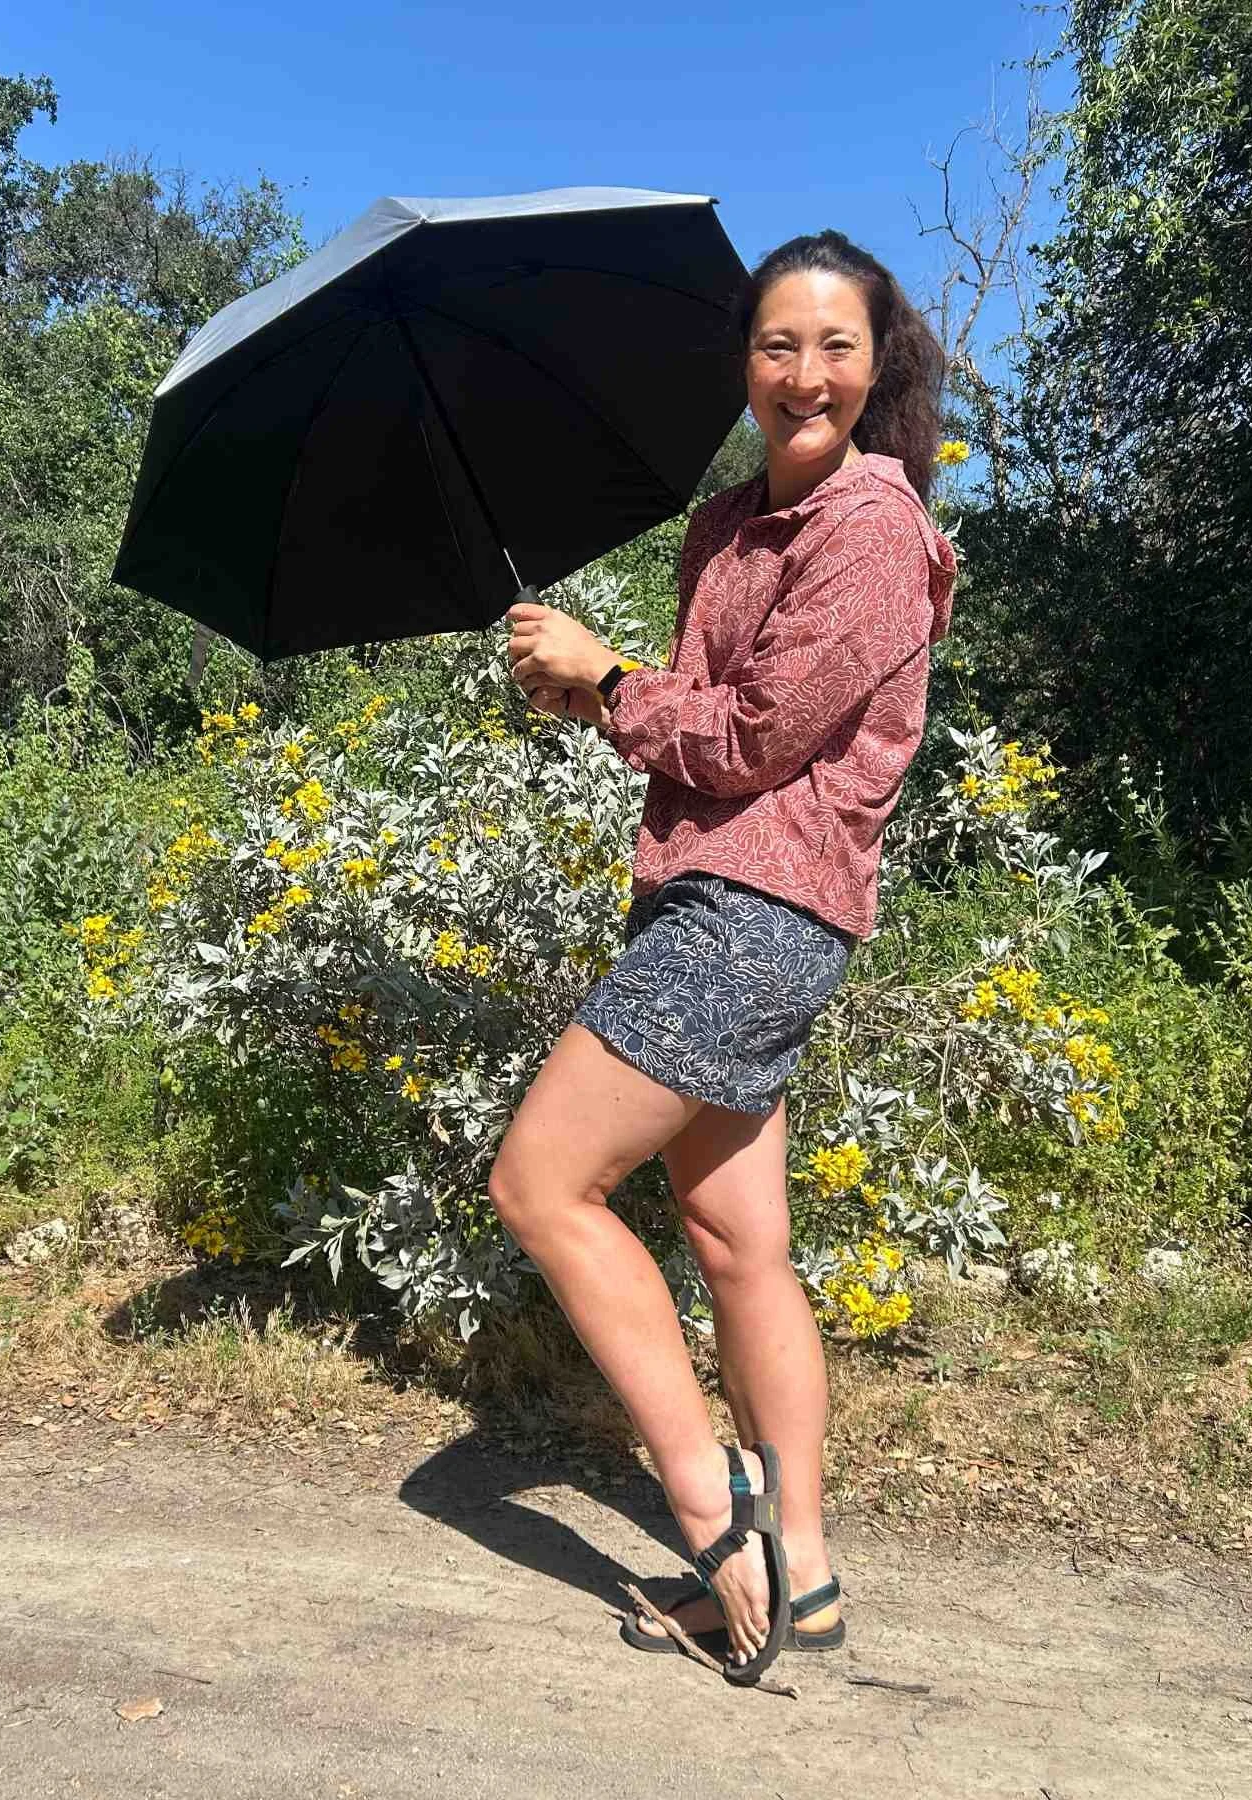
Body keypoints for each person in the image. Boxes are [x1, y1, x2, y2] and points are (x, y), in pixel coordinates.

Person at [495, 229, 957, 1682]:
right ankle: (802, 1571)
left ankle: (716, 1518)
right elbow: (703, 718)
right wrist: (585, 692)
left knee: (540, 1183)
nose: (803, 373)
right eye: (776, 345)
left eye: (834, 345)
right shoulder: (721, 529)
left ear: (879, 366)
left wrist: (614, 679)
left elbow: (757, 737)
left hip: (757, 915)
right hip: (712, 896)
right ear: (744, 367)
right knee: (737, 1244)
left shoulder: (875, 530)